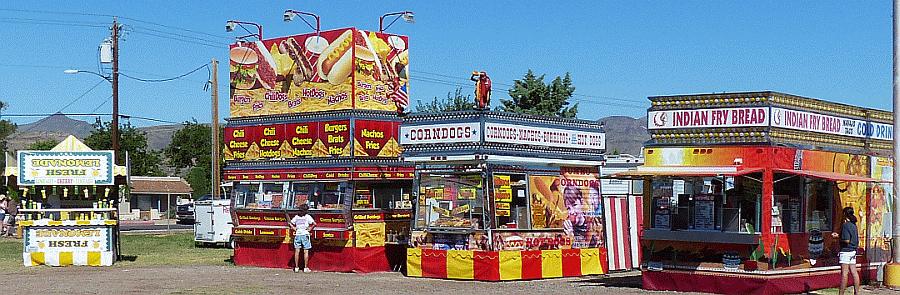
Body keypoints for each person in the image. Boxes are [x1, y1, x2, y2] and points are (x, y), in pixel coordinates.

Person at [832, 206, 859, 295]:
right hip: (853, 250)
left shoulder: (845, 225)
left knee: (844, 274)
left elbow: (846, 239)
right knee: (854, 272)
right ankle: (856, 293)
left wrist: (837, 236)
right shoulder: (854, 225)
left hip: (846, 251)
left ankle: (841, 293)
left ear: (845, 215)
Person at [289, 204, 316, 273]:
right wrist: (310, 229)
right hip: (305, 234)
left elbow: (290, 223)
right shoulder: (307, 217)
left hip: (298, 234)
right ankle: (305, 267)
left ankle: (296, 267)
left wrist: (294, 229)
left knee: (297, 251)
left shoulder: (296, 217)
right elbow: (314, 224)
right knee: (306, 252)